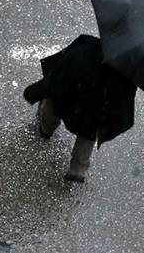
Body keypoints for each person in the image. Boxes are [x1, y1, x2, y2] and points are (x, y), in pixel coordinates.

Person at [22, 34, 137, 182]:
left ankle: (46, 130)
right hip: (95, 111)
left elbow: (57, 76)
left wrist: (34, 92)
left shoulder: (85, 49)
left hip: (68, 98)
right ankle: (77, 168)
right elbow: (124, 99)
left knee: (52, 108)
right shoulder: (127, 70)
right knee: (87, 136)